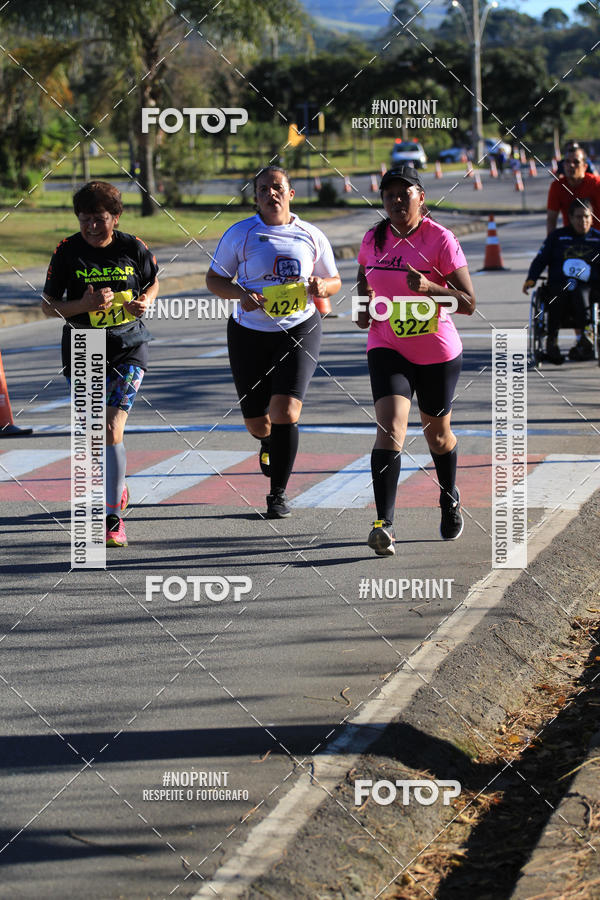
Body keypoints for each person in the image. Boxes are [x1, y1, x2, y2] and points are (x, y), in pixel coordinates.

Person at [206, 165, 341, 519]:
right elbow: (214, 279)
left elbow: (334, 280)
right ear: (256, 196)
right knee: (257, 422)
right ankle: (267, 441)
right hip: (248, 332)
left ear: (290, 193)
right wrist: (241, 294)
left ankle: (277, 494)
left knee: (286, 412)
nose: (271, 193)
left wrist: (323, 287)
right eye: (263, 188)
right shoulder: (241, 234)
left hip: (299, 329)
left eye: (277, 187)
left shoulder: (311, 234)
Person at [355, 166, 475, 557]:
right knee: (390, 428)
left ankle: (449, 495)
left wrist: (430, 287)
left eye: (403, 193)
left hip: (436, 352)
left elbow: (468, 303)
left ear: (420, 197)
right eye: (388, 194)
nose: (395, 200)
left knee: (437, 436)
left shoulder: (440, 239)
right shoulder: (373, 239)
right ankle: (384, 525)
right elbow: (363, 275)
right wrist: (362, 310)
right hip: (387, 344)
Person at [41, 181, 159, 547]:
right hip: (84, 346)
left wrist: (144, 301)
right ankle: (116, 486)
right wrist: (83, 306)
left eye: (100, 219)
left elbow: (153, 283)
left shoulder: (133, 247)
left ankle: (112, 519)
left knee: (110, 427)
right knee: (94, 434)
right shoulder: (67, 251)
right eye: (84, 219)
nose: (92, 227)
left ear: (116, 217)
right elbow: (48, 306)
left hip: (127, 346)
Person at [523, 198, 600, 364]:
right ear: (570, 218)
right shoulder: (557, 237)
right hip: (559, 285)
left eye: (586, 216)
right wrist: (531, 278)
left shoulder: (597, 239)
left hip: (589, 288)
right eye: (578, 217)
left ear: (592, 218)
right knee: (559, 292)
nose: (583, 221)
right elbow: (541, 259)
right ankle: (552, 340)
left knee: (580, 291)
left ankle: (587, 335)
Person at [547, 146, 600, 234]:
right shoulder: (557, 186)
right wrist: (550, 241)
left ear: (585, 166)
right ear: (563, 165)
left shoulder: (596, 184)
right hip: (570, 239)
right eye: (567, 161)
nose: (571, 165)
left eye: (576, 162)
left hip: (596, 238)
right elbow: (551, 219)